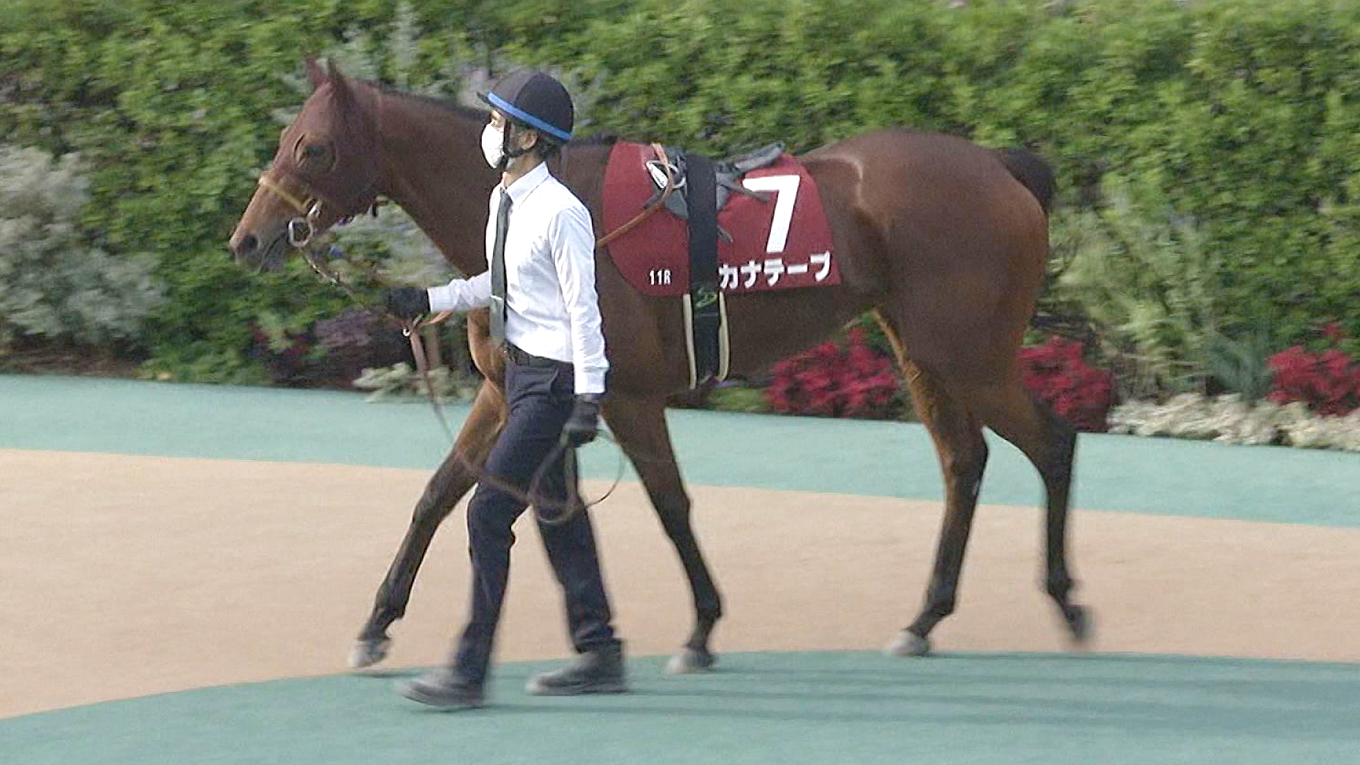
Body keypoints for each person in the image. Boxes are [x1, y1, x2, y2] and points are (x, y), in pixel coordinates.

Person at [385, 69, 623, 709]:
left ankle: (470, 670)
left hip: (554, 385)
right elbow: (498, 286)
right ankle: (600, 650)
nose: (490, 131)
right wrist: (428, 299)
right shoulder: (504, 200)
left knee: (488, 512)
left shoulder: (563, 213)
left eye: (499, 122)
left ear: (529, 138)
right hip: (520, 375)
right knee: (557, 510)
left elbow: (585, 311)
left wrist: (590, 398)